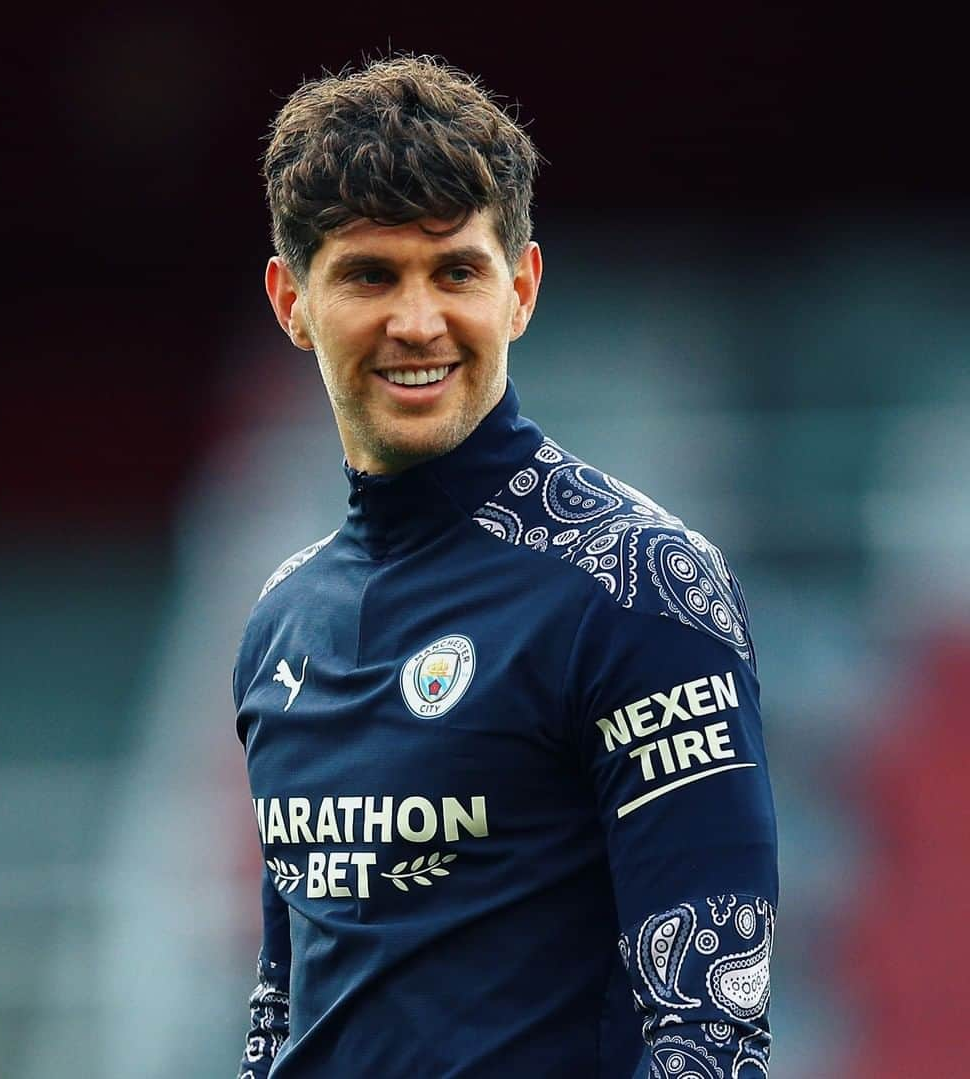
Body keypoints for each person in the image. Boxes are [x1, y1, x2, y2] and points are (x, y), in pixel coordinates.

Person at [233, 55, 778, 1078]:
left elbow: (714, 1024)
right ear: (292, 301)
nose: (417, 321)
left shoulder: (640, 587)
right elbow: (281, 1007)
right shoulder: (280, 621)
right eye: (368, 274)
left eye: (456, 271)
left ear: (520, 287)